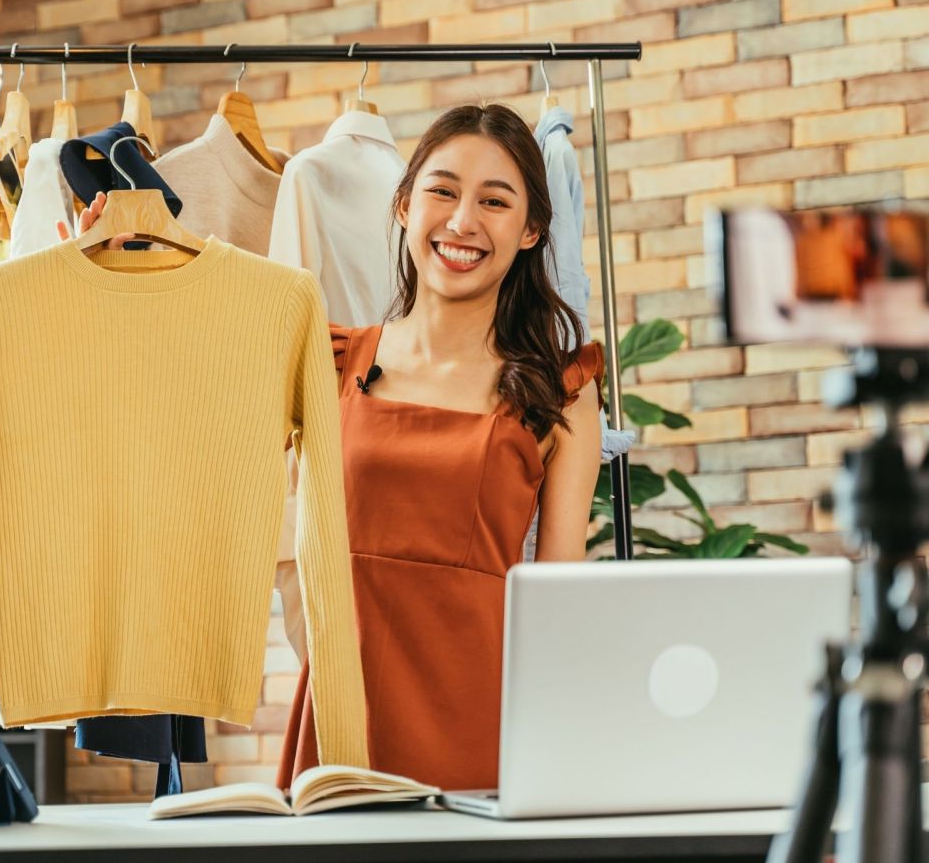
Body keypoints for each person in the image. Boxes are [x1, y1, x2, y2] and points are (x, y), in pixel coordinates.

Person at [60, 103, 603, 792]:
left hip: (486, 731)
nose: (463, 221)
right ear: (403, 206)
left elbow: (557, 609)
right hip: (342, 726)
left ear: (529, 231)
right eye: (442, 190)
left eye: (494, 202)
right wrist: (103, 288)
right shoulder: (326, 356)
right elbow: (172, 414)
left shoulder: (561, 389)